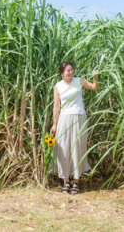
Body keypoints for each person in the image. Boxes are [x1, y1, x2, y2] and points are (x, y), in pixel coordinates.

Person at [50, 61, 99, 195]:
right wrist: (54, 124)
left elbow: (94, 87)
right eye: (67, 71)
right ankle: (66, 181)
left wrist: (95, 77)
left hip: (79, 118)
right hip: (64, 119)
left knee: (77, 148)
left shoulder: (79, 81)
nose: (70, 72)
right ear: (62, 74)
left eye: (71, 70)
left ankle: (76, 182)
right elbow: (56, 106)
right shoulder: (58, 86)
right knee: (64, 150)